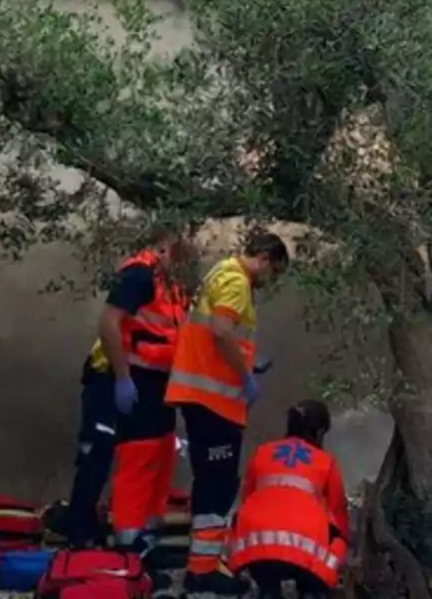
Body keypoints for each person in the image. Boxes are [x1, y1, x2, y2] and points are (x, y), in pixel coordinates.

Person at [164, 230, 290, 595]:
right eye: (274, 272)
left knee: (209, 480)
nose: (270, 281)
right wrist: (245, 375)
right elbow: (221, 331)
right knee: (218, 484)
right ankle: (202, 570)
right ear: (264, 258)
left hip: (199, 396)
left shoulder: (219, 272)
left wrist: (249, 362)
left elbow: (216, 335)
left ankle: (201, 563)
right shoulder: (236, 281)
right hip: (213, 401)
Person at [61, 231, 191, 550]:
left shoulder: (173, 288)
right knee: (97, 454)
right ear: (165, 246)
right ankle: (80, 535)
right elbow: (109, 323)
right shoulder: (139, 275)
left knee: (148, 455)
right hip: (113, 377)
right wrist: (121, 376)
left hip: (151, 383)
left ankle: (134, 537)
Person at [228, 400, 349, 599]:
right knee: (338, 536)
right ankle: (312, 588)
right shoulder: (325, 461)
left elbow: (247, 498)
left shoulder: (262, 451)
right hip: (305, 557)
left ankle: (267, 588)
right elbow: (339, 512)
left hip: (256, 551)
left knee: (242, 519)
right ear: (319, 432)